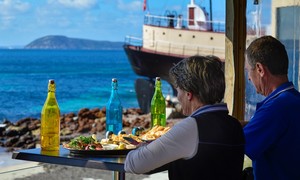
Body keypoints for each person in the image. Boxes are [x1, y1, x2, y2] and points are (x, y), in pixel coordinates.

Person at [124, 55, 245, 180]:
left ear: (188, 94)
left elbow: (134, 164)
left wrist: (141, 148)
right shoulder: (234, 124)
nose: (178, 97)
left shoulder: (192, 127)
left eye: (178, 90)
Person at [244, 36, 300, 179]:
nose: (249, 78)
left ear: (260, 69)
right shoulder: (294, 100)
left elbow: (238, 144)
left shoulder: (275, 108)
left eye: (247, 71)